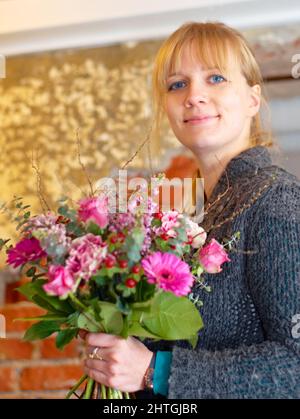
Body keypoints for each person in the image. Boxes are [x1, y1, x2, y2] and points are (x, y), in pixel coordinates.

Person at [82, 21, 300, 399]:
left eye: (215, 78)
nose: (193, 96)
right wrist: (120, 342)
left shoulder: (276, 201)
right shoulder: (197, 214)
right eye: (177, 84)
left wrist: (155, 370)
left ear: (252, 99)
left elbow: (295, 365)